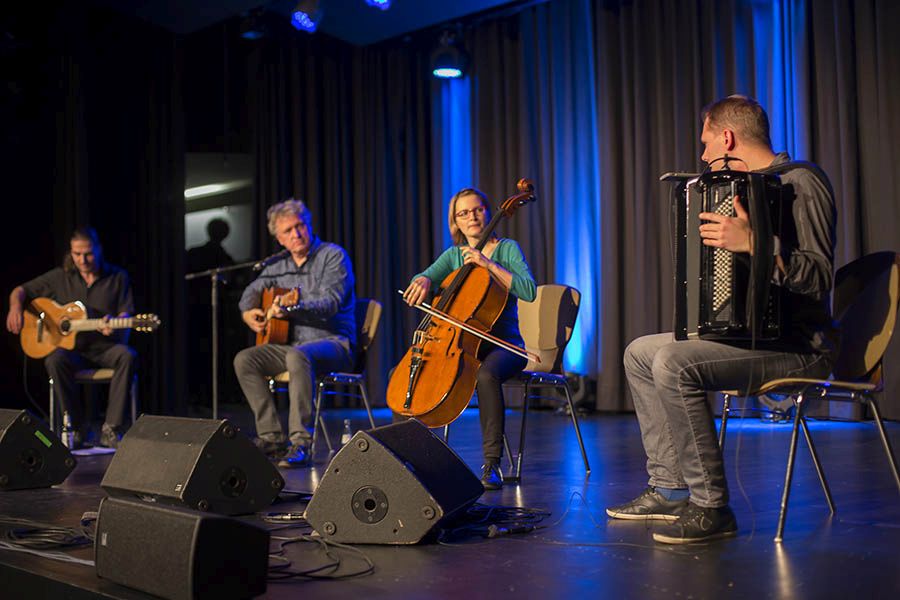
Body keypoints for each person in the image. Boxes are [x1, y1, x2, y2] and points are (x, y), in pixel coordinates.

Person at [606, 95, 839, 543]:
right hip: (756, 342)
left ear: (727, 137)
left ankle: (712, 506)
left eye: (706, 142)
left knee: (674, 363)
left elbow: (820, 277)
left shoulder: (801, 182)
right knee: (640, 352)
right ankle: (671, 488)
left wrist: (756, 244)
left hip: (802, 348)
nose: (703, 155)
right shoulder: (737, 191)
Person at [401, 188, 537, 490]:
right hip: (462, 344)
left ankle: (491, 464)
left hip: (506, 345)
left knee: (486, 375)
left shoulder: (506, 249)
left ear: (487, 212)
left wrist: (488, 265)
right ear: (456, 223)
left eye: (477, 210)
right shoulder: (453, 256)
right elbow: (425, 276)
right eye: (463, 213)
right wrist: (421, 280)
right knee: (413, 372)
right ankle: (408, 457)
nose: (472, 217)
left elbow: (528, 290)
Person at [234, 199, 356, 468]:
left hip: (334, 343)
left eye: (300, 226)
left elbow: (330, 303)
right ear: (279, 239)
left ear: (309, 225)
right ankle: (271, 437)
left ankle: (301, 441)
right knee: (245, 359)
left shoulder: (332, 256)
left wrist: (292, 308)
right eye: (288, 231)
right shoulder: (279, 266)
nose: (296, 234)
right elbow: (253, 289)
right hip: (294, 349)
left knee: (297, 356)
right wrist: (247, 311)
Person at [6, 227, 137, 448]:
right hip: (73, 350)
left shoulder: (117, 277)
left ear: (99, 250)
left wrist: (115, 323)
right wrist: (15, 307)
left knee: (127, 355)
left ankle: (112, 428)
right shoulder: (60, 277)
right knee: (54, 359)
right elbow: (20, 290)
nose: (82, 260)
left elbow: (126, 313)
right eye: (77, 254)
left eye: (88, 253)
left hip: (104, 347)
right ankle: (75, 426)